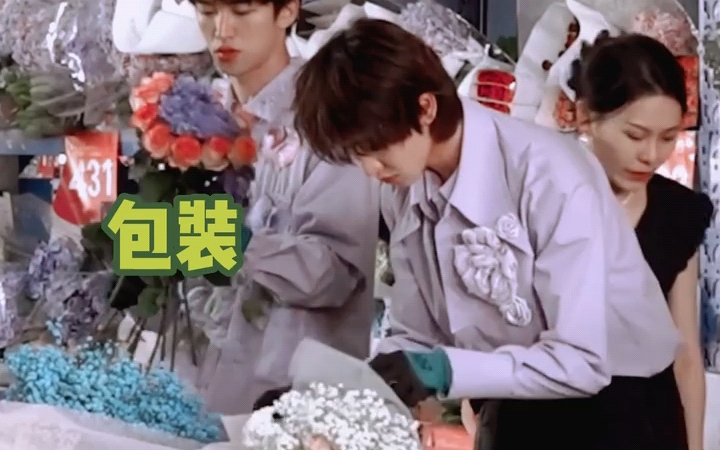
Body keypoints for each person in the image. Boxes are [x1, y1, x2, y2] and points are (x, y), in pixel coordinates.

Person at [292, 18, 685, 450]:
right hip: (511, 404)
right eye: (356, 155)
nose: (369, 168)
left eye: (374, 147)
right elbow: (416, 333)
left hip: (616, 412)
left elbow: (583, 362)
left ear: (425, 108)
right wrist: (330, 398)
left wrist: (442, 370)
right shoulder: (399, 184)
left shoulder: (548, 173)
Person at [188, 0, 379, 414]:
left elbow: (337, 276)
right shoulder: (193, 117)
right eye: (207, 11)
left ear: (288, 11)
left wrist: (233, 243)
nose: (222, 30)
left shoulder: (328, 118)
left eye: (242, 11)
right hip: (195, 390)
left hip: (292, 402)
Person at [570, 32, 712, 450]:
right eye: (635, 135)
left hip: (650, 426)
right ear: (585, 117)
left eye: (668, 137)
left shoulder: (678, 213)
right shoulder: (545, 201)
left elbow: (685, 353)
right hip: (551, 423)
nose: (651, 155)